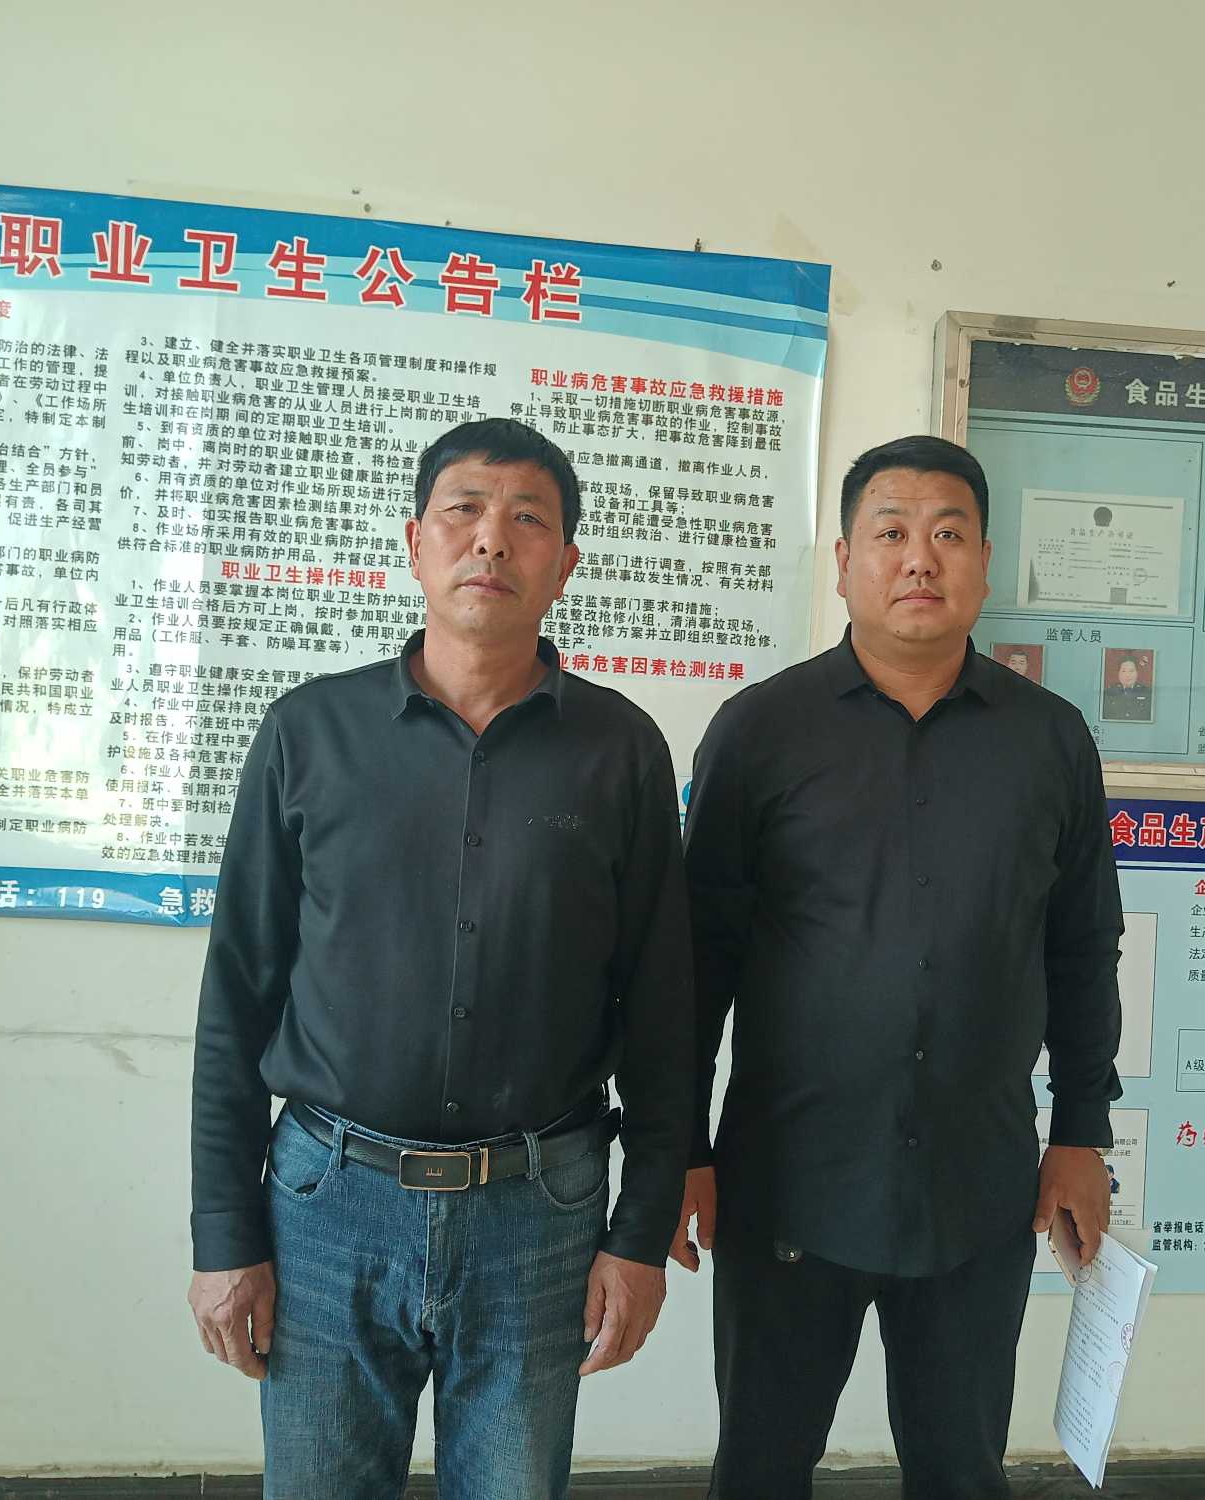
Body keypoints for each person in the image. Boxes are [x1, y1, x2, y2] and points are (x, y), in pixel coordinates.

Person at [187, 418, 693, 1500]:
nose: (491, 541)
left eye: (527, 520)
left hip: (539, 1210)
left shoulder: (620, 750)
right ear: (416, 541)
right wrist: (224, 1235)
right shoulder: (309, 733)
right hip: (328, 1200)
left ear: (564, 563)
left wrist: (641, 1236)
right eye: (464, 511)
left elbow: (662, 1010)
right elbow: (237, 995)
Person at [677, 434, 1124, 1498]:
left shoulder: (1049, 739)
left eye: (947, 534)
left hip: (976, 1183)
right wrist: (677, 1148)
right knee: (760, 1467)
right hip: (790, 1181)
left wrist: (1080, 1133)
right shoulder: (759, 732)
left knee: (961, 1469)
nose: (919, 558)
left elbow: (1080, 945)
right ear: (843, 562)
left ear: (984, 563)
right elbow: (697, 961)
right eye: (890, 533)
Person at [1101, 651, 1153, 722]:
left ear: (1137, 673)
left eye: (1131, 671)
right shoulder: (1108, 693)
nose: (1127, 675)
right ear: (1118, 673)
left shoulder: (1147, 693)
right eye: (1123, 671)